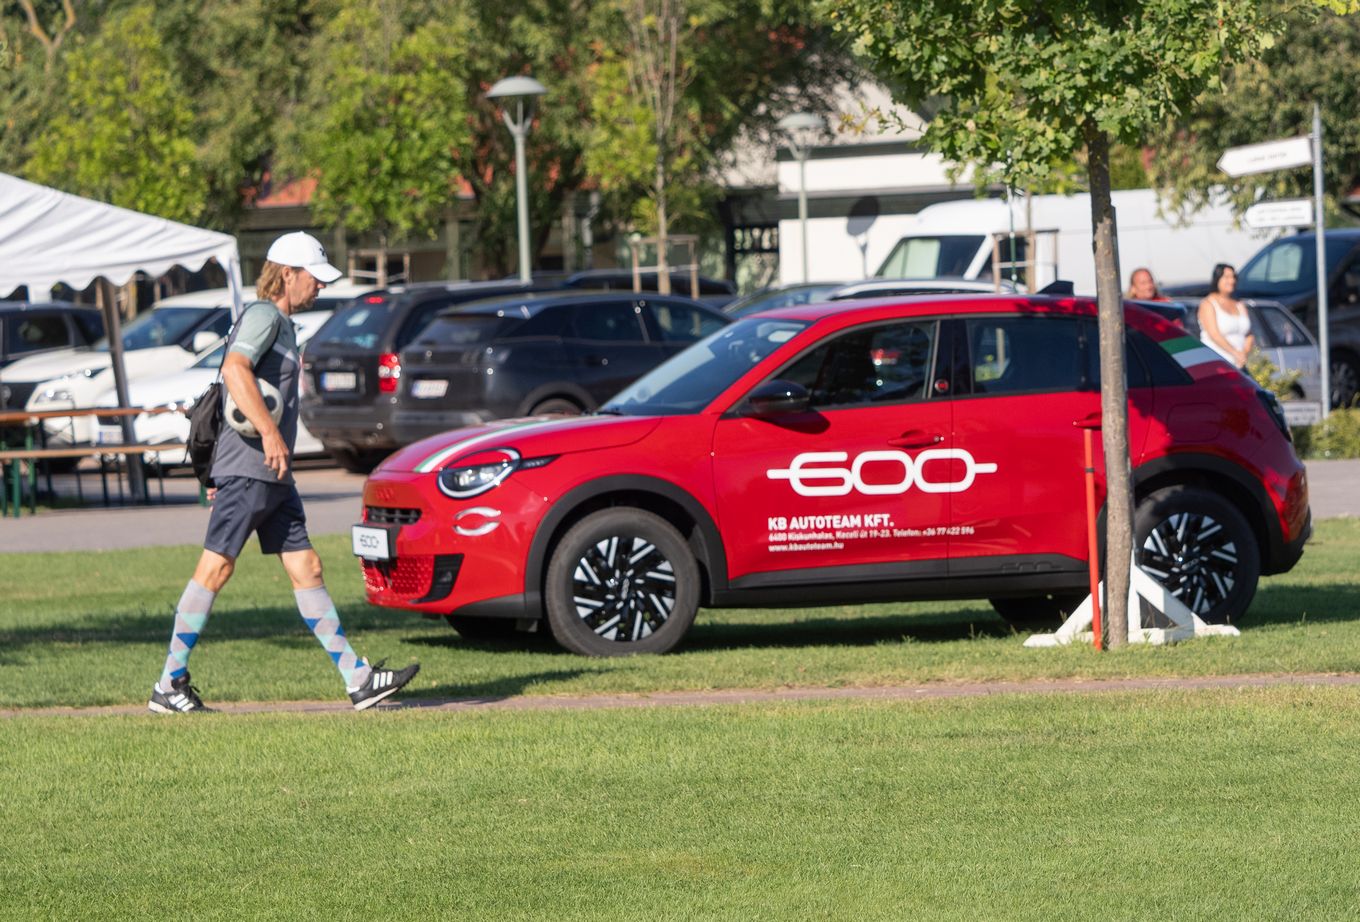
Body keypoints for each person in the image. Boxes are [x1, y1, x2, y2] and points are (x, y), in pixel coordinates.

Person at [149, 232, 419, 713]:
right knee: (215, 568)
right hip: (252, 468)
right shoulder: (264, 315)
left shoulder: (281, 322)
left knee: (307, 567)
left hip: (272, 475)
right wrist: (271, 435)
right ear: (288, 274)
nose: (319, 287)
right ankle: (169, 684)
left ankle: (359, 681)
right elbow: (235, 371)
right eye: (315, 277)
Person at [1197, 262, 1254, 369]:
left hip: (1240, 364)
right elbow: (1214, 334)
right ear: (1217, 279)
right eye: (1227, 277)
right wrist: (1235, 353)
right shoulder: (1208, 304)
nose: (1232, 281)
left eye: (1233, 277)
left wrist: (1243, 354)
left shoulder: (1239, 304)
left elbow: (1249, 334)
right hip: (1218, 364)